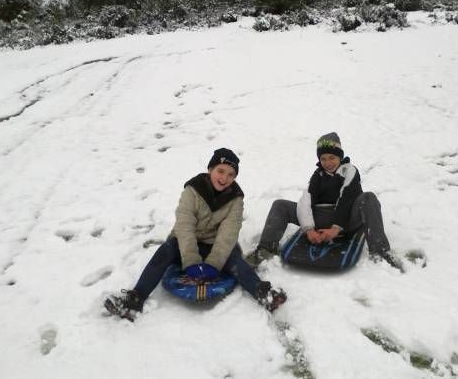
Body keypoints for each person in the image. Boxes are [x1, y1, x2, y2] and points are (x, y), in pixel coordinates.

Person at [105, 148, 287, 321]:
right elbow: (184, 227)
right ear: (210, 169)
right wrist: (191, 261)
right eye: (221, 171)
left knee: (236, 261)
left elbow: (228, 234)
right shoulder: (192, 191)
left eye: (231, 174)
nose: (224, 178)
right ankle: (134, 299)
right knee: (165, 250)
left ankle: (264, 293)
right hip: (185, 243)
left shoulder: (236, 199)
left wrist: (214, 264)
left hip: (215, 246)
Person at [245, 133, 403, 272]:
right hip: (320, 218)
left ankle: (380, 251)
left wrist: (335, 229)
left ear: (340, 156)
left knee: (368, 198)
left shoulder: (349, 170)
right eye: (323, 159)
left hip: (346, 220)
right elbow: (305, 201)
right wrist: (308, 229)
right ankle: (266, 248)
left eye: (332, 158)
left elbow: (346, 198)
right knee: (280, 205)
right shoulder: (317, 175)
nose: (328, 162)